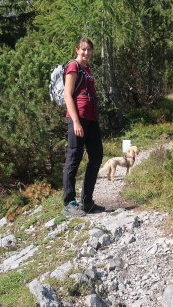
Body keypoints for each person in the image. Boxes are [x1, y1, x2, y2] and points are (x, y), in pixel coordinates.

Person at [62, 37, 105, 216]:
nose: (86, 53)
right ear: (77, 50)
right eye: (83, 49)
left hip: (91, 119)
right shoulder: (73, 66)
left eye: (89, 50)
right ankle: (69, 203)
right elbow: (67, 95)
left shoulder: (87, 70)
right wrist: (76, 121)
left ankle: (87, 201)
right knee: (74, 157)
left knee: (96, 156)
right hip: (77, 119)